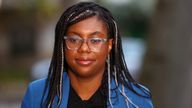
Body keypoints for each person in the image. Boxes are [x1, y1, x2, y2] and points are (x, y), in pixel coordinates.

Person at [21, 2, 153, 108]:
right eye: (74, 40)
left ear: (109, 45)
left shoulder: (136, 99)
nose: (84, 48)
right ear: (62, 44)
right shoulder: (37, 94)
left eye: (95, 40)